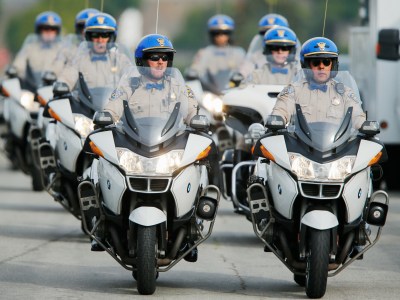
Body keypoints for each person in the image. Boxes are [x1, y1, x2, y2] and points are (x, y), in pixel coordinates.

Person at [271, 37, 366, 129]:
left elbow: (357, 115)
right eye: (316, 62)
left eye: (326, 62)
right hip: (301, 144)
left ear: (333, 65)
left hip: (336, 144)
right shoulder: (294, 91)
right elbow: (281, 110)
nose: (321, 66)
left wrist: (363, 125)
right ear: (307, 65)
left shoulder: (344, 92)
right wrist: (278, 118)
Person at [104, 33, 197, 125]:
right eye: (155, 57)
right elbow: (112, 109)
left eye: (165, 58)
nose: (160, 62)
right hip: (134, 139)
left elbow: (192, 112)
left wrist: (196, 120)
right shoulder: (128, 87)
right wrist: (107, 116)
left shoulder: (179, 88)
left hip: (171, 139)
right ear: (142, 61)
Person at [56, 12, 132, 92]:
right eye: (95, 35)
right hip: (84, 104)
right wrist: (62, 84)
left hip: (112, 103)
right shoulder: (79, 59)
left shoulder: (120, 59)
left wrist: (133, 83)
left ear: (111, 38)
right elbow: (67, 76)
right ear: (89, 37)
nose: (100, 40)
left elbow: (131, 76)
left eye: (105, 35)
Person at [187, 14, 245, 94]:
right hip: (210, 93)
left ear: (229, 34)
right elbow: (196, 68)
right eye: (217, 33)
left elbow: (244, 70)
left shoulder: (238, 52)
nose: (220, 36)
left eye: (224, 33)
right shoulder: (204, 52)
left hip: (234, 92)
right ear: (212, 34)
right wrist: (192, 73)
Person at [12, 11, 63, 89]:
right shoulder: (30, 47)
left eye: (53, 29)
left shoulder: (63, 49)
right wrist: (14, 70)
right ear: (39, 30)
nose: (49, 32)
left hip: (55, 90)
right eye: (45, 29)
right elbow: (19, 64)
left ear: (57, 32)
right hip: (32, 89)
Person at [52, 8, 100, 74]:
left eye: (92, 28)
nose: (85, 31)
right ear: (78, 29)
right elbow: (57, 68)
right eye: (83, 27)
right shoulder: (68, 50)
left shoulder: (111, 55)